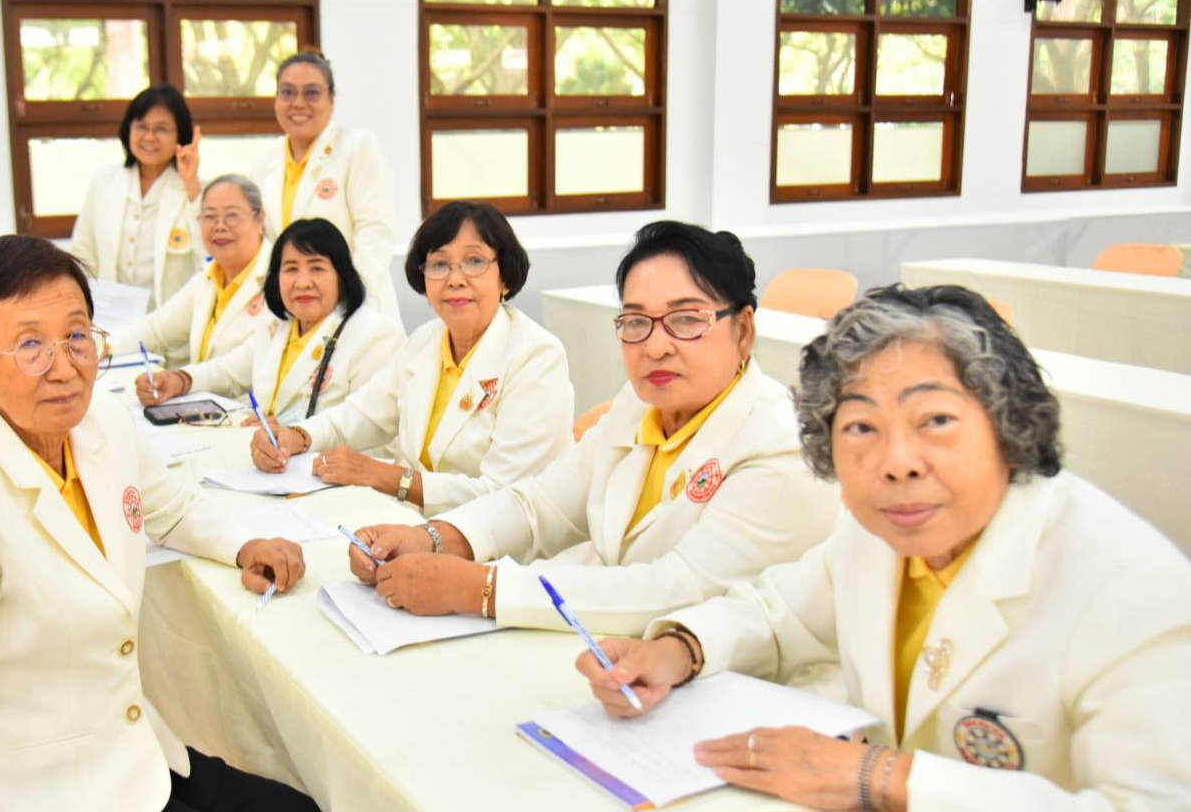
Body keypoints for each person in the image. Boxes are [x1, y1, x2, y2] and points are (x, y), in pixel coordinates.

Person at [575, 285, 1191, 812]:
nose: (896, 463)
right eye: (861, 427)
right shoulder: (876, 536)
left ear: (1009, 423)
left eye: (936, 421)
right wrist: (676, 651)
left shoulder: (1132, 589)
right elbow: (778, 613)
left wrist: (883, 776)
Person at [0, 235, 313, 812]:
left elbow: (171, 508)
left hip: (138, 750)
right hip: (48, 788)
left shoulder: (101, 422)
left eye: (76, 337)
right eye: (31, 346)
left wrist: (246, 544)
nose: (65, 369)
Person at [345, 222, 839, 636]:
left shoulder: (780, 443)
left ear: (744, 330)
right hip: (607, 650)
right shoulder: (639, 406)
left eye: (687, 319)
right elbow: (542, 506)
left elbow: (680, 589)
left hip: (725, 686)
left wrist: (480, 588)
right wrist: (434, 537)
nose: (656, 346)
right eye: (637, 321)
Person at [250, 201, 573, 517]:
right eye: (439, 264)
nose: (455, 279)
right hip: (414, 523)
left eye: (474, 261)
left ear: (505, 278)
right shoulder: (425, 341)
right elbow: (363, 414)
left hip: (500, 540)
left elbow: (504, 495)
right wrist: (297, 436)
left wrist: (385, 476)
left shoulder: (536, 356)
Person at [138, 218, 403, 424]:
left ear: (342, 276)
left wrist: (292, 434)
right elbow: (228, 372)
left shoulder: (375, 336)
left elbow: (368, 429)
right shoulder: (276, 328)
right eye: (291, 269)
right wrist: (179, 380)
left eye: (317, 268)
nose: (302, 282)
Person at [252, 52, 401, 327]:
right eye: (287, 92)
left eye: (312, 92)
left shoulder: (356, 147)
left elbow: (374, 233)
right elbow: (264, 244)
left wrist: (350, 303)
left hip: (355, 310)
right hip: (295, 311)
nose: (298, 103)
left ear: (331, 99)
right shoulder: (264, 162)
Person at [114, 174, 274, 369]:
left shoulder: (279, 279)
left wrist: (184, 379)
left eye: (232, 215)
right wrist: (104, 347)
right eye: (210, 216)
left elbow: (246, 365)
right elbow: (156, 330)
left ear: (260, 219)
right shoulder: (208, 277)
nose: (219, 226)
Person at [70, 85, 205, 308]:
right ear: (128, 129)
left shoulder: (196, 190)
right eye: (141, 126)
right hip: (109, 316)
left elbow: (208, 260)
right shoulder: (104, 181)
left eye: (162, 129)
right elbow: (83, 253)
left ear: (180, 135)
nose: (149, 137)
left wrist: (192, 187)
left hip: (171, 320)